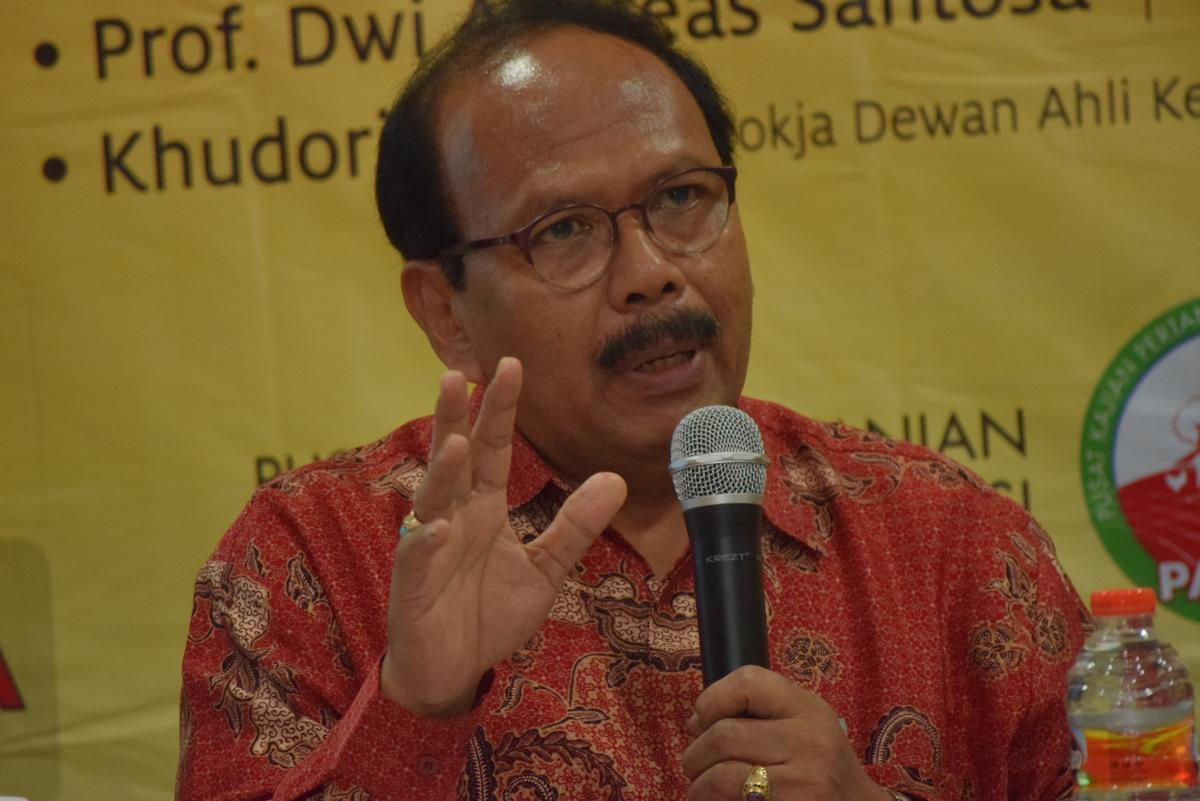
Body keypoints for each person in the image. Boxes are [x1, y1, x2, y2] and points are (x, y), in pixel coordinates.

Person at [176, 2, 1088, 799]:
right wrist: (415, 708)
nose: (651, 273)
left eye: (682, 196)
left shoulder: (950, 540)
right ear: (444, 310)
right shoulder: (316, 558)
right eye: (564, 229)